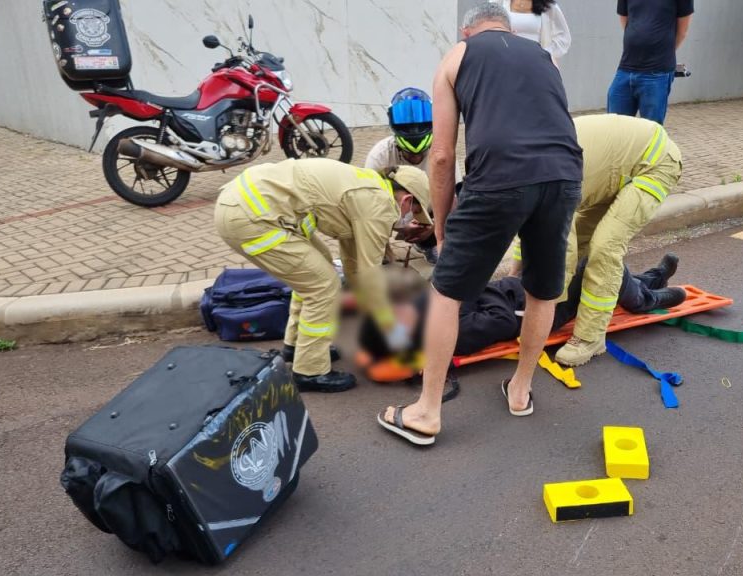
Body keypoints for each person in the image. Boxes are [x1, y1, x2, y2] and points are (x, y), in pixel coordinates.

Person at [376, 2, 583, 446]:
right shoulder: (544, 57)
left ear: (467, 31)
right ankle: (521, 391)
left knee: (446, 293)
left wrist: (444, 224)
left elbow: (442, 155)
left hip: (500, 179)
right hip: (564, 176)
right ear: (507, 28)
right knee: (542, 288)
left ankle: (426, 412)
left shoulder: (458, 55)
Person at [214, 158, 433, 393]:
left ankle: (298, 347)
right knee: (323, 286)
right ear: (408, 200)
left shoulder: (370, 188)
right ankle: (310, 371)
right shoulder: (378, 205)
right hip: (252, 217)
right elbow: (371, 279)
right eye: (415, 213)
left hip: (246, 204)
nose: (411, 219)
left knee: (316, 272)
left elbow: (354, 266)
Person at [359, 254, 685, 364]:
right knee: (596, 260)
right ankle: (646, 298)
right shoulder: (448, 334)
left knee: (590, 256)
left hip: (522, 287)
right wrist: (467, 294)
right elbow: (500, 322)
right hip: (539, 309)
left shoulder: (423, 308)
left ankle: (647, 280)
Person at [551, 114, 683, 366]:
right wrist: (517, 272)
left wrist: (543, 303)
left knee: (604, 247)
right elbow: (527, 232)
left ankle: (591, 338)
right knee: (584, 244)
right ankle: (655, 278)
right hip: (618, 167)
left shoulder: (545, 178)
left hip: (654, 162)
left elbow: (561, 253)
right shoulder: (524, 170)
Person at [365, 88, 454, 264]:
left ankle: (429, 244)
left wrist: (435, 227)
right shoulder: (379, 154)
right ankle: (380, 249)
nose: (416, 159)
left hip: (428, 209)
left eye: (420, 157)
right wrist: (396, 225)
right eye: (410, 156)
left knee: (450, 208)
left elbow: (455, 199)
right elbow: (367, 202)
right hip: (391, 209)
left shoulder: (442, 150)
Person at [607, 0, 693, 124]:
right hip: (625, 69)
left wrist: (664, 52)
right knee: (614, 125)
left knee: (651, 130)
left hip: (657, 73)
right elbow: (627, 23)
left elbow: (682, 31)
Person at [490, 0, 571, 64]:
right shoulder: (498, 2)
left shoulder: (548, 6)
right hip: (505, 61)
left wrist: (545, 53)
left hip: (536, 64)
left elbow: (564, 38)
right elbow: (487, 29)